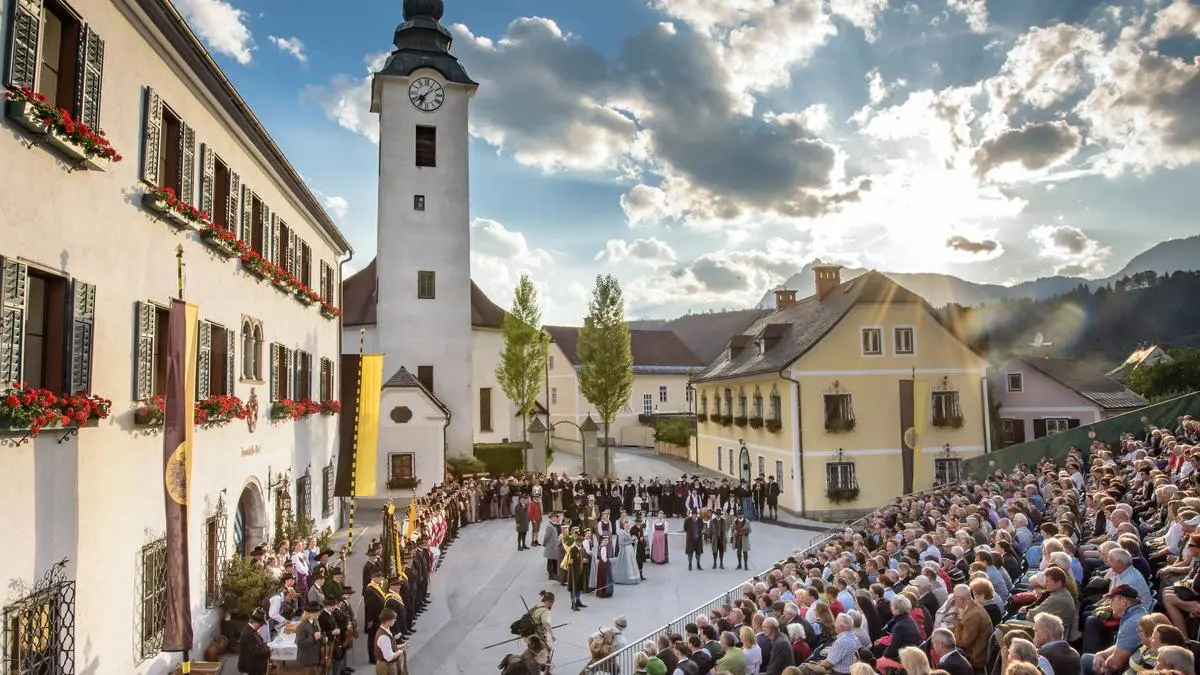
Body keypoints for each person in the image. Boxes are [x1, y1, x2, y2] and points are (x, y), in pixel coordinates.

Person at [238, 609, 272, 675]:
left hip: (253, 665)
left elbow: (261, 642)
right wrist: (268, 652)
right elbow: (256, 651)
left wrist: (267, 647)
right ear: (256, 622)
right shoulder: (248, 634)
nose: (261, 626)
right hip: (250, 667)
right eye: (261, 624)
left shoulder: (251, 630)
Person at [373, 608, 407, 675]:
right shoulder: (384, 637)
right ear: (388, 621)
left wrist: (401, 646)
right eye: (393, 619)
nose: (395, 620)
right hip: (386, 667)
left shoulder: (384, 630)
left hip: (387, 665)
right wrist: (399, 652)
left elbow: (389, 646)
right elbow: (389, 657)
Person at [294, 602, 323, 675]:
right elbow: (299, 643)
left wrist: (322, 637)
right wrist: (313, 637)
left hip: (316, 656)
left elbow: (319, 635)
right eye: (317, 612)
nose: (319, 614)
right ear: (310, 613)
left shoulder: (316, 622)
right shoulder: (302, 626)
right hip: (307, 659)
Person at [543, 512, 561, 582]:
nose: (554, 518)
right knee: (550, 560)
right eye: (553, 517)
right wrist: (544, 543)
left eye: (555, 517)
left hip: (554, 545)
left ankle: (553, 574)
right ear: (550, 518)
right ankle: (551, 575)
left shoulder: (554, 525)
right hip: (550, 546)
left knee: (553, 560)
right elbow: (546, 536)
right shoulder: (549, 526)